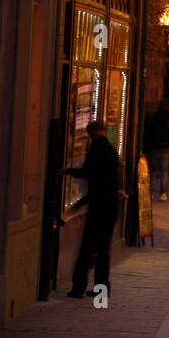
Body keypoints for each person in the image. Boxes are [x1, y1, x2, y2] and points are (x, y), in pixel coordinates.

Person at [60, 121, 120, 299]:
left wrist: (67, 171)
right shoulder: (111, 149)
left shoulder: (96, 149)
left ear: (92, 132)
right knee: (103, 250)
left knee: (86, 249)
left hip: (98, 205)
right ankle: (102, 289)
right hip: (110, 204)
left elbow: (89, 173)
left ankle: (78, 288)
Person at [145, 99, 169, 200]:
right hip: (167, 147)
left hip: (155, 146)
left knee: (153, 171)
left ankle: (150, 192)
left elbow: (149, 129)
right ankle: (163, 193)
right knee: (164, 171)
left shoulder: (154, 116)